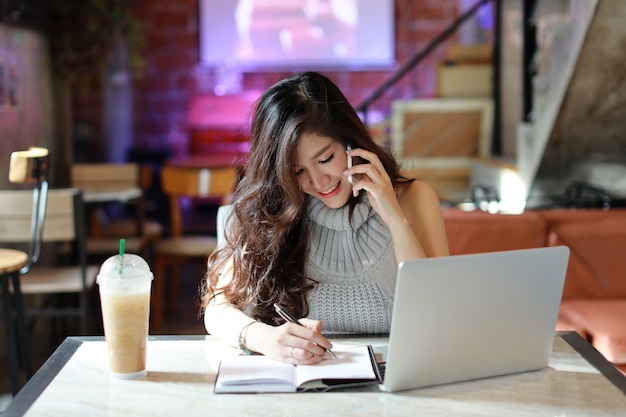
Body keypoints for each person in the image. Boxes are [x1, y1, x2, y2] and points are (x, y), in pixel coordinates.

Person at [200, 71, 449, 366]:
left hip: (399, 381)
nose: (318, 181)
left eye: (325, 159)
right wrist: (266, 339)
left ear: (350, 140)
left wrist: (394, 218)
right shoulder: (268, 211)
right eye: (297, 171)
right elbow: (217, 310)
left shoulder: (415, 199)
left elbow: (439, 312)